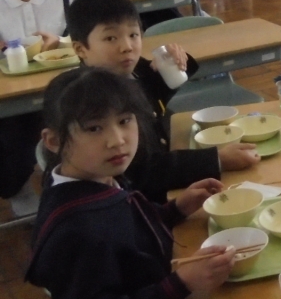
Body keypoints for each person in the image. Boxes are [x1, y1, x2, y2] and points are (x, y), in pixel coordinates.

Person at [26, 67, 236, 299]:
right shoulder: (77, 232)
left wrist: (175, 209)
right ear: (54, 141)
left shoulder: (97, 177)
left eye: (124, 120)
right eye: (94, 128)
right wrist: (181, 283)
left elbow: (128, 229)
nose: (117, 141)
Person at [67, 0, 259, 201]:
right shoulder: (92, 101)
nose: (127, 47)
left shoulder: (130, 70)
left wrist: (175, 63)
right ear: (81, 49)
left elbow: (155, 97)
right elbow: (142, 171)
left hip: (163, 183)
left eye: (133, 35)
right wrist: (217, 159)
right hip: (141, 202)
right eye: (111, 38)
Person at [0, 0, 80, 218]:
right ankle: (19, 189)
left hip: (68, 87)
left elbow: (90, 38)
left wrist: (62, 42)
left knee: (75, 129)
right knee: (9, 138)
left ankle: (75, 189)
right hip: (13, 93)